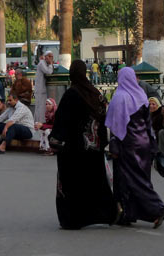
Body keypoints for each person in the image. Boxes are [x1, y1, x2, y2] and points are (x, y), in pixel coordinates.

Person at [50, 59, 118, 229]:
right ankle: (109, 214)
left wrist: (56, 141)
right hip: (93, 148)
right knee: (96, 181)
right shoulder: (96, 94)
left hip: (73, 150)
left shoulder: (72, 94)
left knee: (72, 183)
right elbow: (103, 120)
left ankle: (73, 219)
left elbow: (62, 121)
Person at [106, 67, 164, 228]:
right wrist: (153, 145)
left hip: (128, 145)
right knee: (133, 179)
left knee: (134, 180)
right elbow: (149, 124)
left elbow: (116, 127)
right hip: (144, 144)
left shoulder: (120, 97)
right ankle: (126, 214)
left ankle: (157, 209)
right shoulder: (141, 95)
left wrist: (114, 147)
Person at [34, 51, 53, 123]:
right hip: (40, 90)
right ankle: (40, 122)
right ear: (46, 56)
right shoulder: (42, 63)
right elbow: (48, 72)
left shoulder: (44, 63)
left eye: (52, 57)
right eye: (50, 56)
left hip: (41, 89)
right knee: (41, 106)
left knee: (41, 106)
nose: (51, 58)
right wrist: (51, 64)